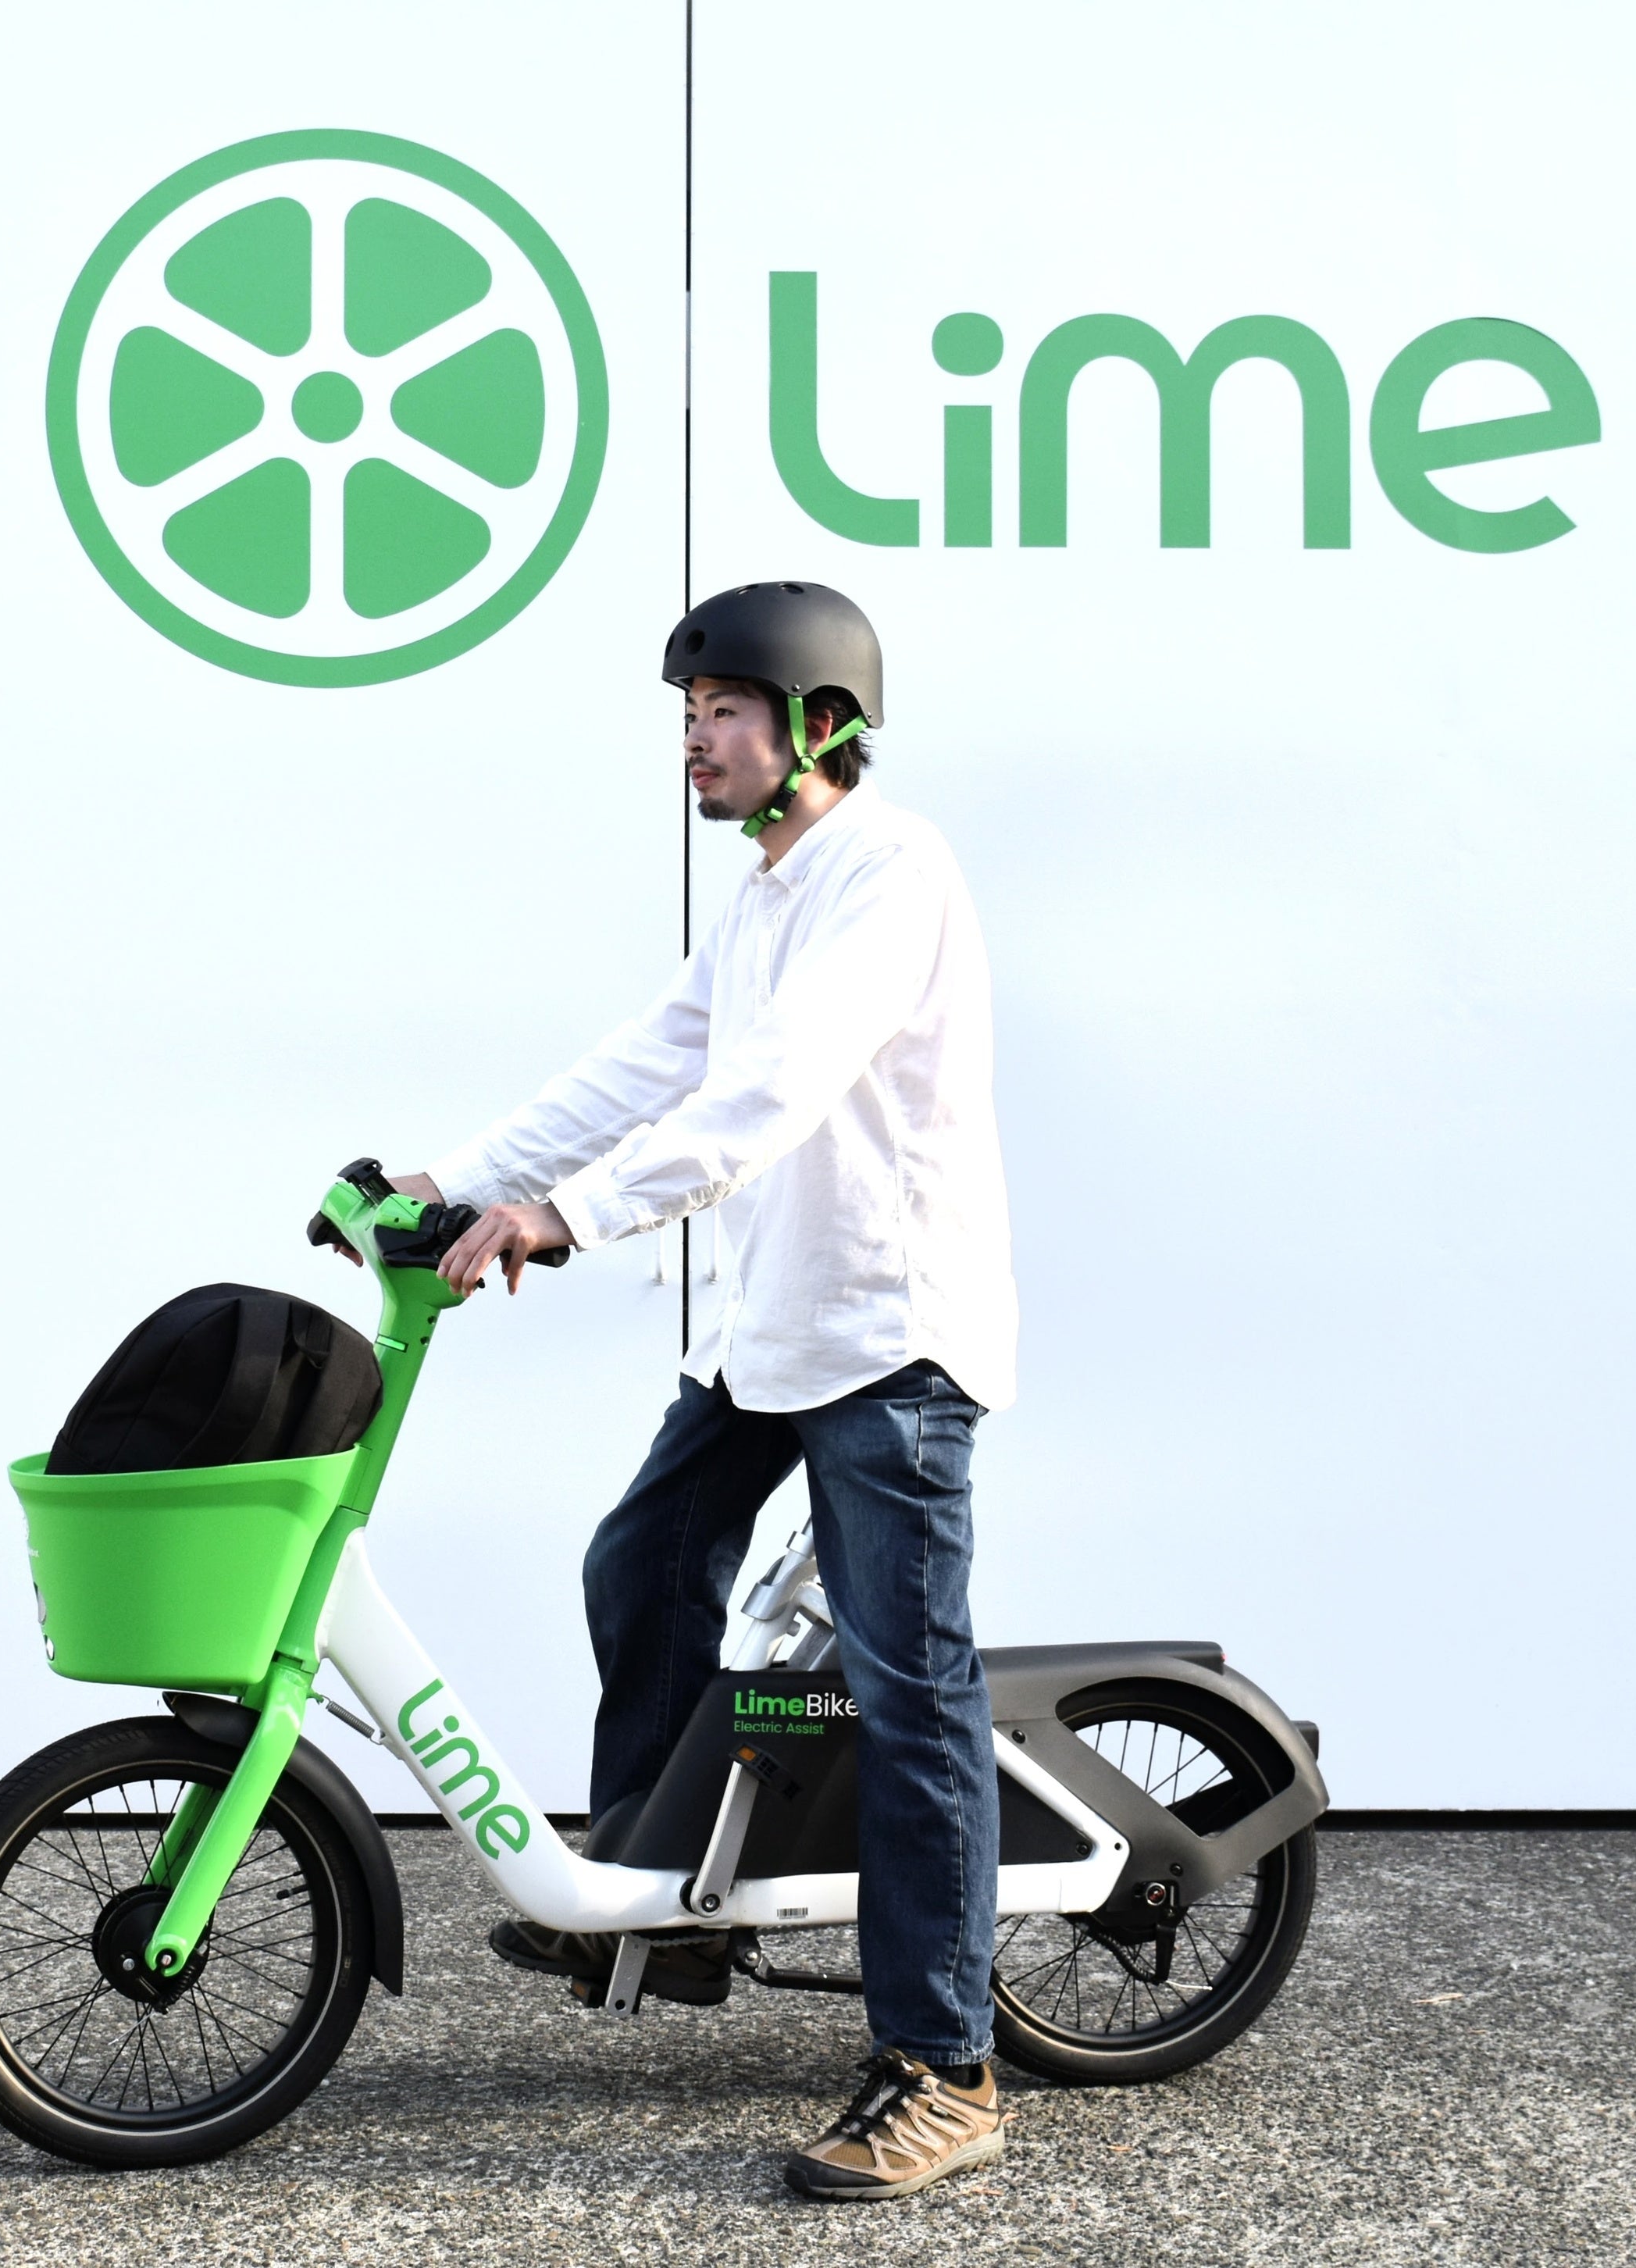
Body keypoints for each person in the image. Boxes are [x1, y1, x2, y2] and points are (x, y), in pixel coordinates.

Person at [358, 582, 1018, 2202]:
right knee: (642, 1561)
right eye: (687, 715)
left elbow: (770, 1094)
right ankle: (668, 1910)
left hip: (891, 1340)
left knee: (910, 1690)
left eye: (724, 711)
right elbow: (649, 1064)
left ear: (820, 725)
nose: (695, 741)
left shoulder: (892, 872)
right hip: (777, 1330)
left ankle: (946, 2068)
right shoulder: (766, 897)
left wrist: (569, 1216)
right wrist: (455, 1178)